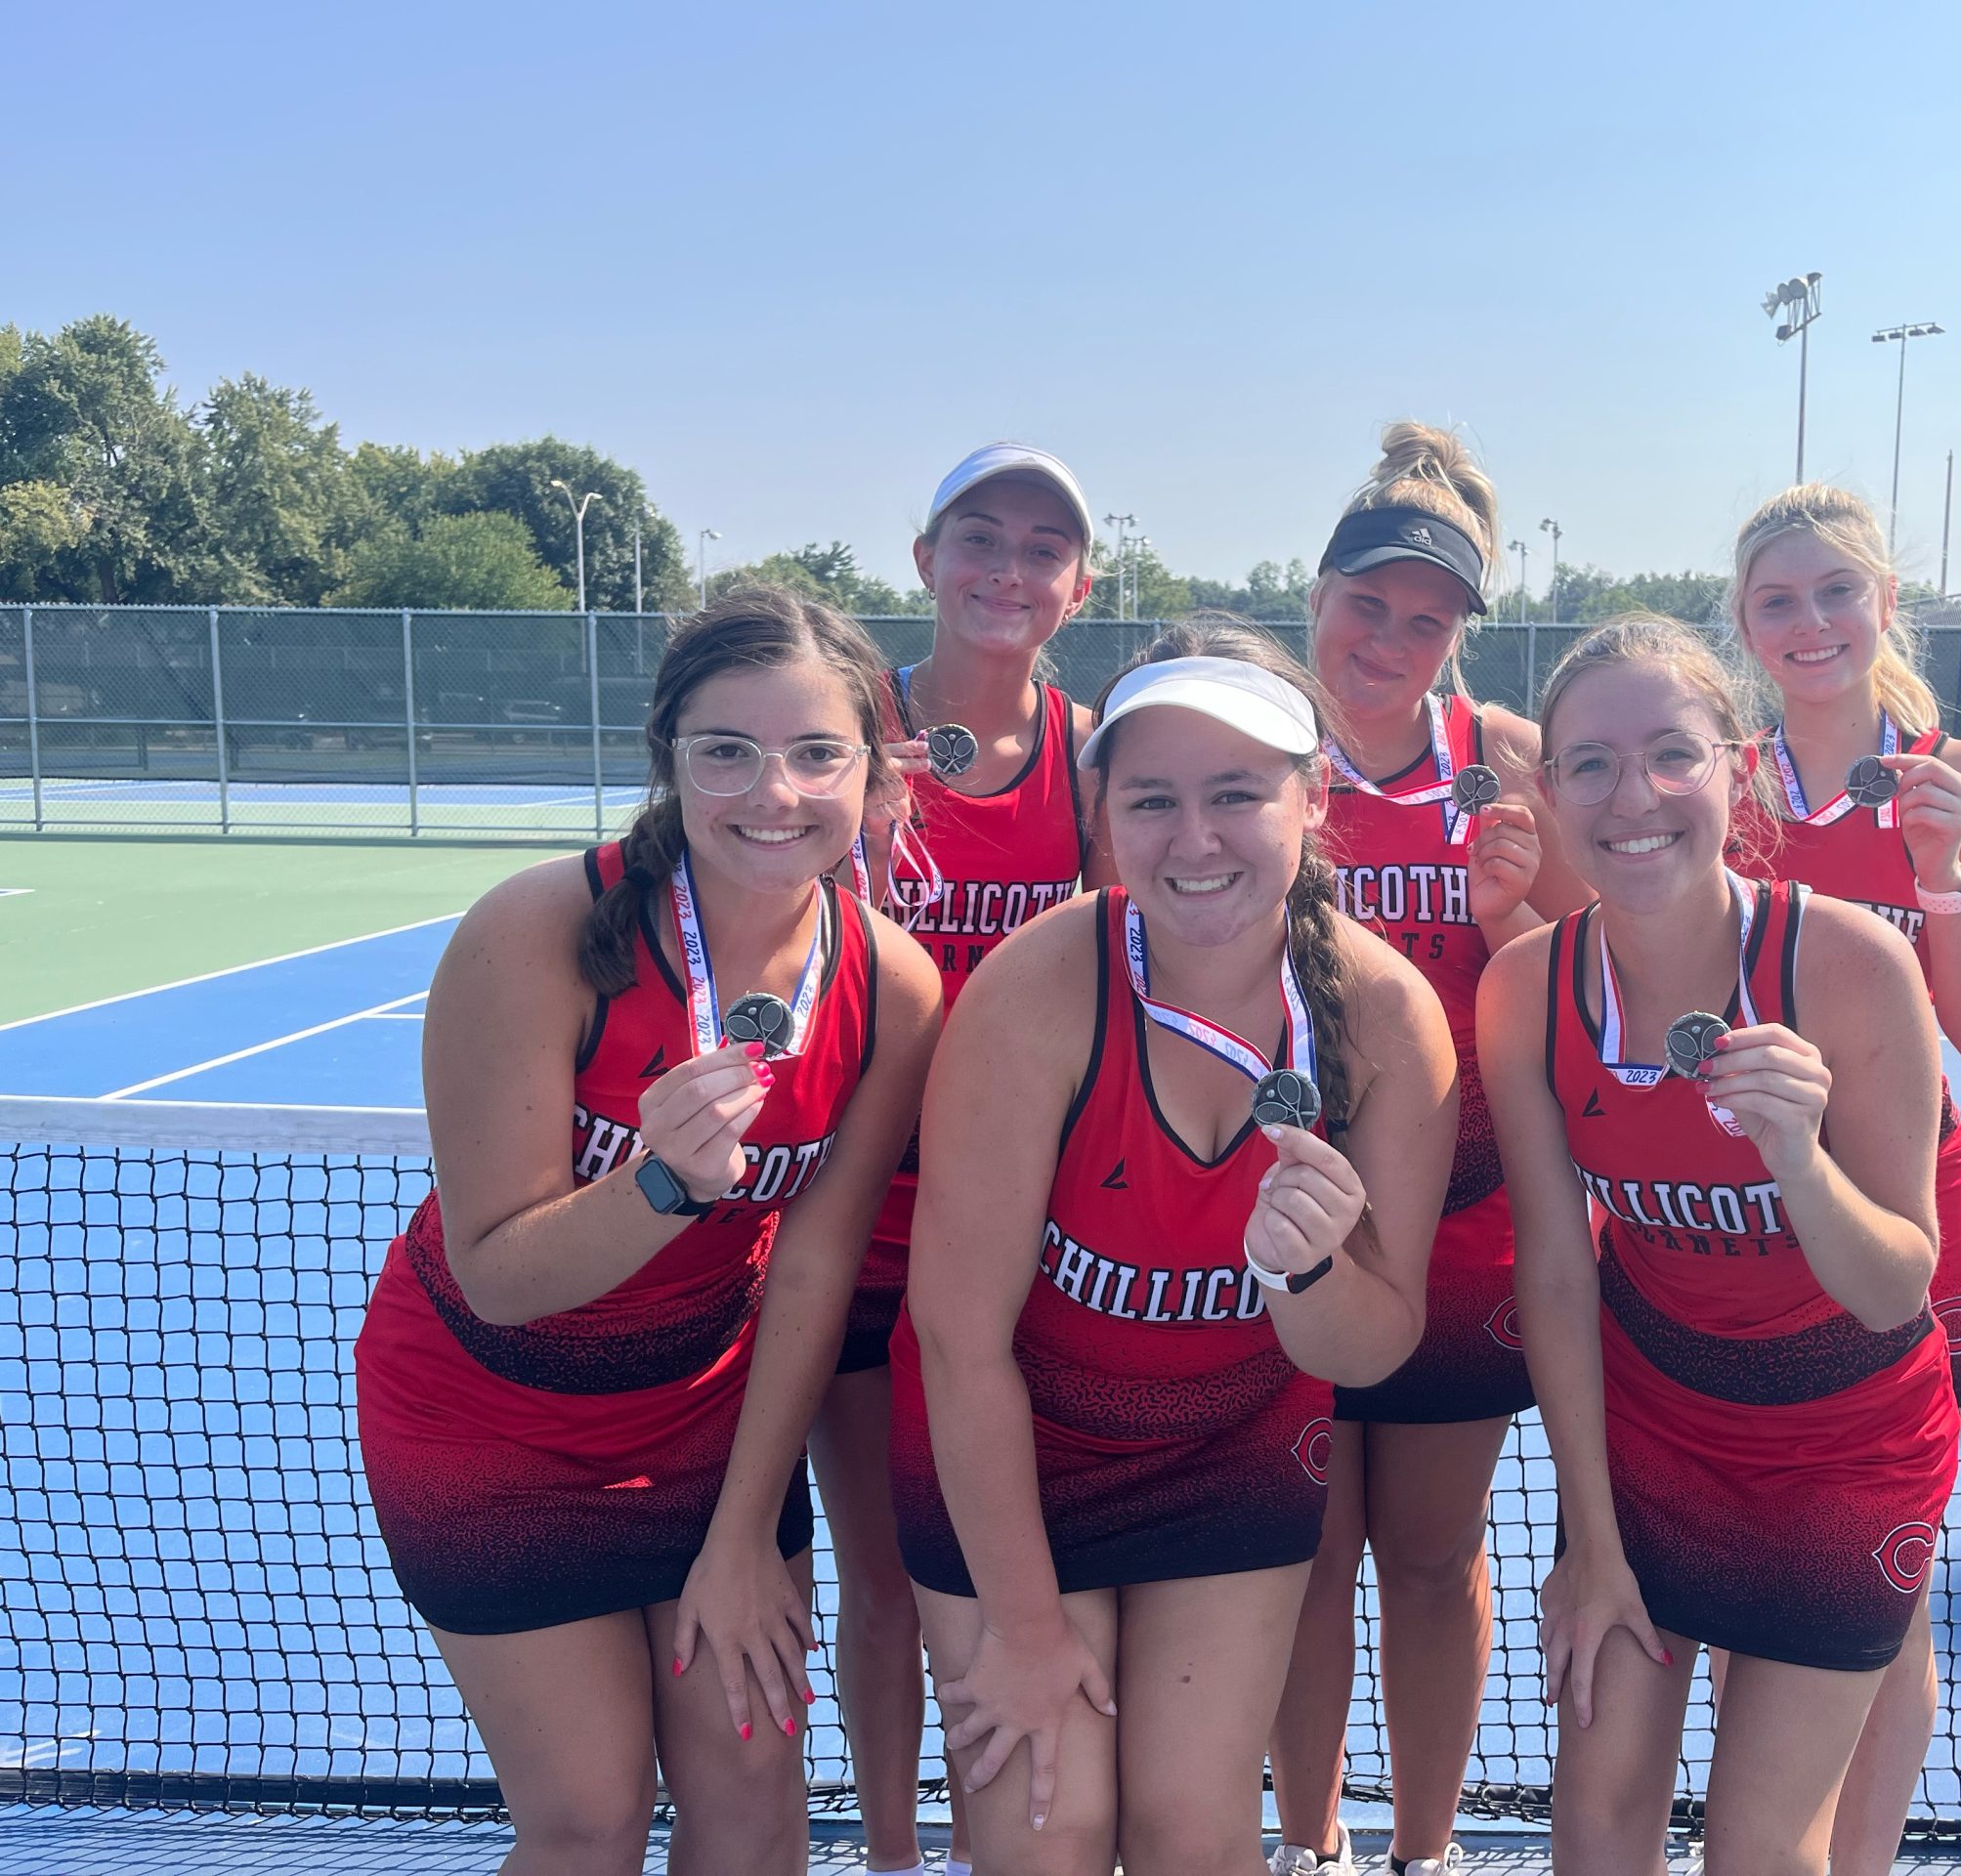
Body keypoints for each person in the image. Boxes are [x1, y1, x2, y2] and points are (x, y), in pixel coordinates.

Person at [356, 589, 944, 1876]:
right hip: (488, 1424)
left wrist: (744, 1534)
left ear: (872, 769)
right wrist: (661, 1185)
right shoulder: (538, 937)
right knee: (590, 1818)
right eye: (725, 750)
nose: (770, 792)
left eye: (815, 753)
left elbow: (815, 1258)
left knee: (752, 1805)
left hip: (704, 1424)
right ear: (668, 760)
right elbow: (500, 1274)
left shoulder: (895, 983)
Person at [887, 625, 1461, 1875]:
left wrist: (1309, 1270)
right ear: (1106, 817)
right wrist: (1028, 1633)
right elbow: (957, 1338)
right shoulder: (1039, 990)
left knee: (1191, 1833)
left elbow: (1373, 1343)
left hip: (1229, 1443)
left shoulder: (1383, 1020)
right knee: (1050, 1837)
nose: (1193, 840)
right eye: (1152, 800)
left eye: (1237, 795)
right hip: (1012, 1446)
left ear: (1314, 800)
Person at [1477, 616, 1959, 1876]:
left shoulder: (1849, 965)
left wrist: (1797, 1162)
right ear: (1549, 787)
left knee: (1754, 1855)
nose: (1633, 797)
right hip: (1653, 1430)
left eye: (1670, 756)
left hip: (1846, 1443)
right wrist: (1586, 1537)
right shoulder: (1526, 988)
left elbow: (1895, 1284)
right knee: (1594, 1826)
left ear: (1734, 770)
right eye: (1589, 763)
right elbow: (1554, 1264)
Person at [1268, 426, 1587, 1876]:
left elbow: (1590, 984)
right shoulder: (1249, 746)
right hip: (1285, 1217)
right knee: (1305, 1558)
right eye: (1368, 603)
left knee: (1433, 1551)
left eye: (1428, 617)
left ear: (1464, 630)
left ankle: (1427, 1851)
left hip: (1466, 1229)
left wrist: (1522, 911)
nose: (1390, 638)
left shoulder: (1509, 759)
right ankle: (1315, 1846)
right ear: (1315, 590)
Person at [1719, 484, 1961, 1876]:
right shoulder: (1718, 786)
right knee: (1753, 1584)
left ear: (1884, 601)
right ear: (1746, 626)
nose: (1812, 623)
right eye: (1778, 600)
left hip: (1911, 1218)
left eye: (1836, 591)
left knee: (1889, 1592)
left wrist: (1943, 875)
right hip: (1745, 1225)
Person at [818, 443, 1100, 1876]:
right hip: (850, 1227)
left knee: (1007, 1570)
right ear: (924, 560)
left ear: (1078, 586)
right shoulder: (839, 736)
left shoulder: (1096, 754)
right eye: (980, 538)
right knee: (879, 1581)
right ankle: (886, 1854)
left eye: (1042, 547)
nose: (1008, 569)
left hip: (1025, 1250)